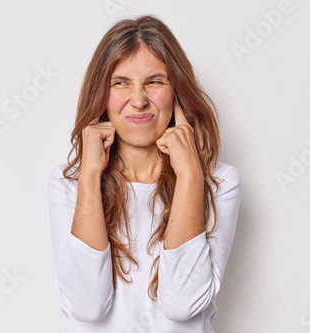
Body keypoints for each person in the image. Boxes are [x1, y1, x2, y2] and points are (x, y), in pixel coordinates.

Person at [48, 15, 242, 332]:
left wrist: (191, 175)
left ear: (177, 92)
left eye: (154, 81)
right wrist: (89, 175)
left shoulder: (219, 183)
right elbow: (85, 306)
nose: (138, 100)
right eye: (121, 82)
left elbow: (182, 303)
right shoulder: (68, 183)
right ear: (102, 96)